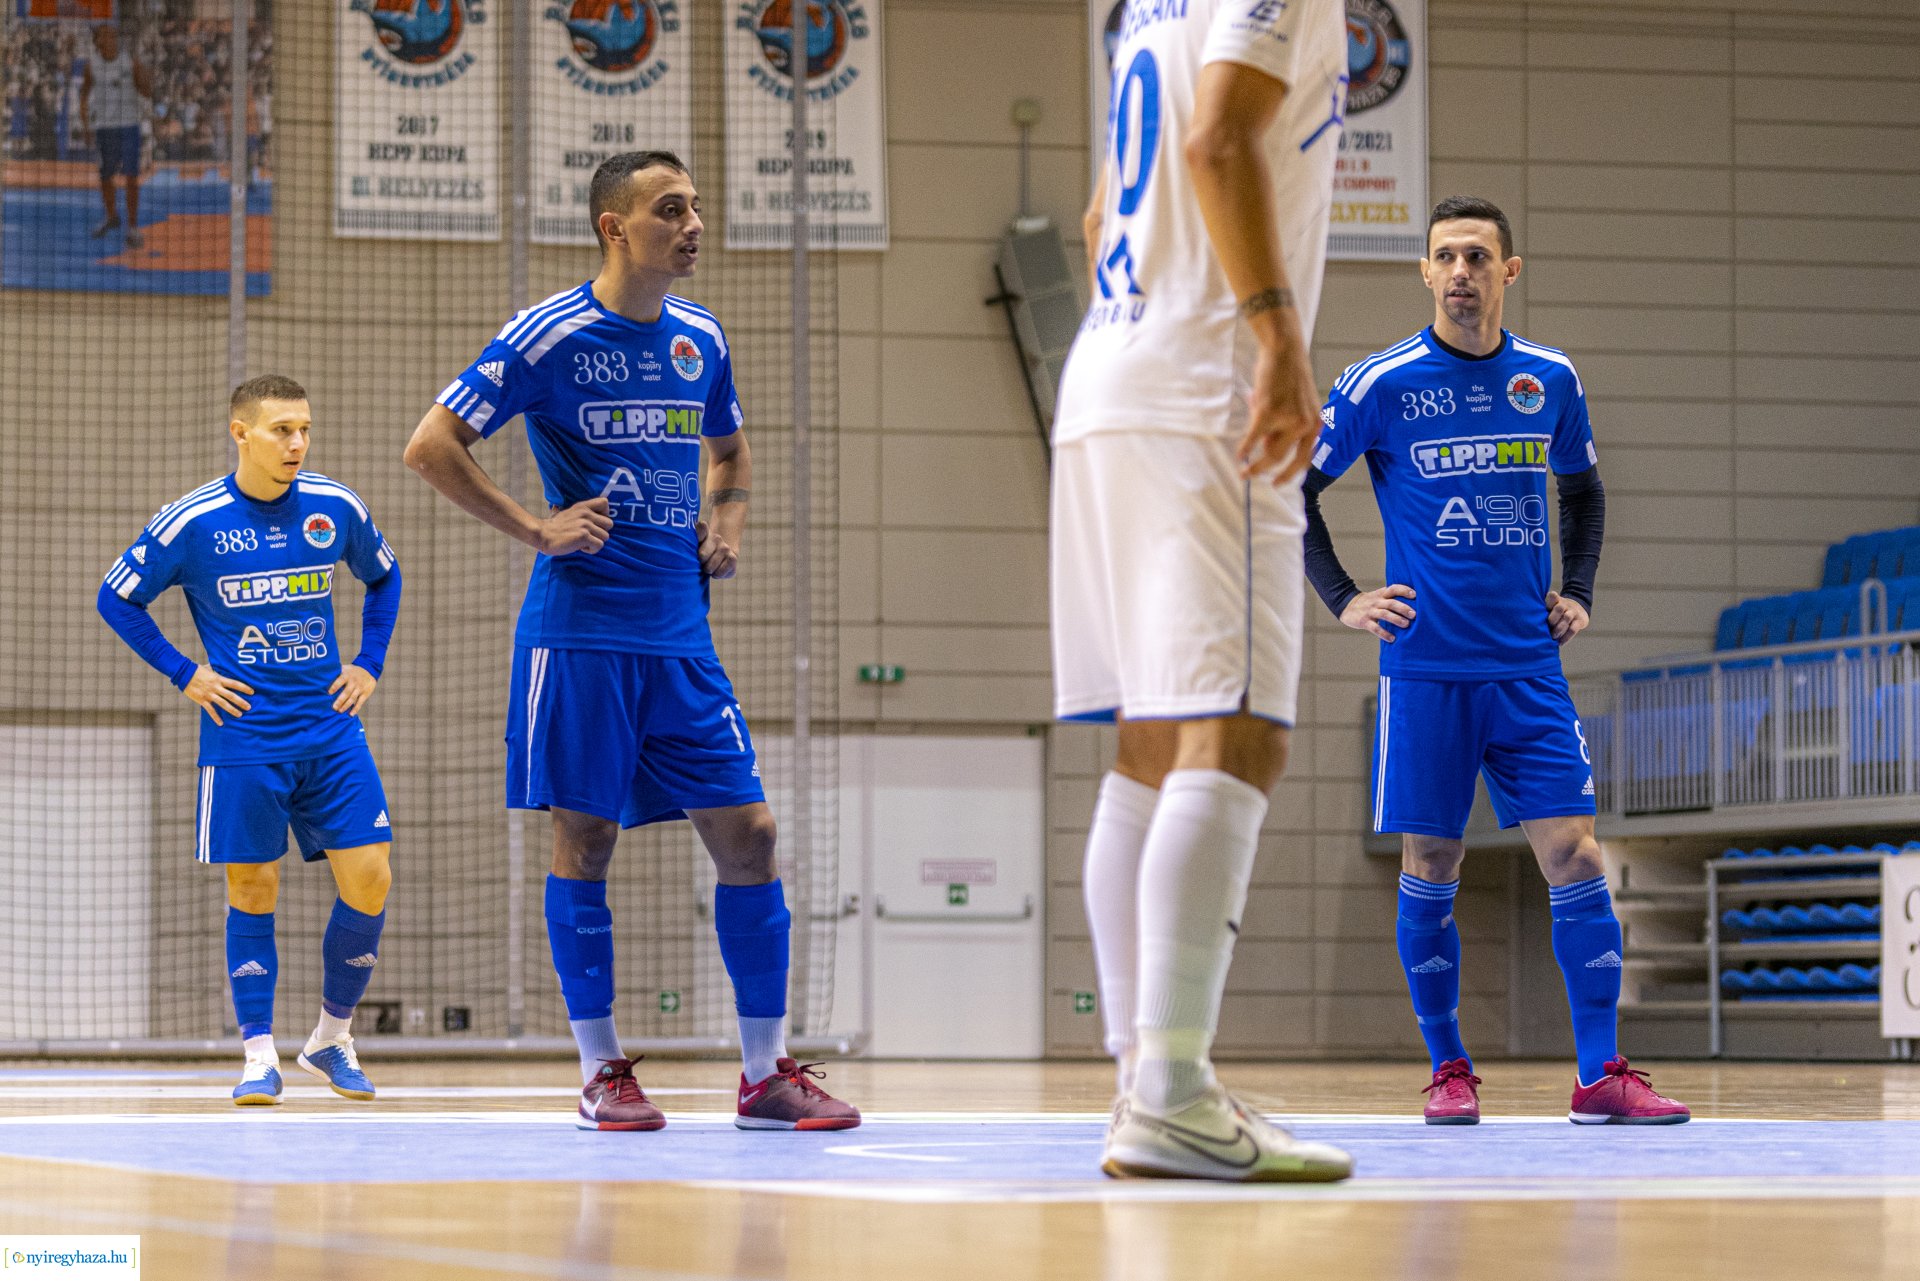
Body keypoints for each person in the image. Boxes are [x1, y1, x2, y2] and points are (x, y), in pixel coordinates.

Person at [404, 150, 859, 1134]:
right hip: (578, 638)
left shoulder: (701, 337)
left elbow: (730, 451)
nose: (693, 223)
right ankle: (601, 1069)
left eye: (695, 205)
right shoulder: (548, 335)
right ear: (615, 227)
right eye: (669, 209)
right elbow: (431, 446)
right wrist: (536, 527)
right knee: (587, 837)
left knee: (752, 835)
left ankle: (765, 1074)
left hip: (680, 636)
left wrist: (726, 522)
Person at [1305, 195, 1690, 1126]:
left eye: (1479, 256)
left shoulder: (1548, 377)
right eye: (1446, 256)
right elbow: (1292, 494)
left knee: (1576, 851)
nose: (1462, 272)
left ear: (1509, 271)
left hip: (1527, 666)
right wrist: (1345, 598)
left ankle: (1601, 1072)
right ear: (1426, 272)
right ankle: (1449, 1069)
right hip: (1425, 670)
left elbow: (1585, 491)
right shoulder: (1379, 384)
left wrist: (1581, 587)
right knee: (1431, 859)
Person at [1051, 0, 1351, 1181]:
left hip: (1113, 368)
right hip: (1203, 383)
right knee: (1236, 734)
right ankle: (1171, 1090)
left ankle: (1149, 1080)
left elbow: (1096, 215)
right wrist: (1277, 336)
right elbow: (1218, 141)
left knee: (1150, 742)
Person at [97, 375, 402, 1106]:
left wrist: (368, 662)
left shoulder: (336, 505)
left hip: (331, 731)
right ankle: (258, 1054)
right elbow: (118, 595)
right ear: (240, 432)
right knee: (252, 885)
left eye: (304, 428)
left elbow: (383, 578)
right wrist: (185, 673)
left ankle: (331, 1036)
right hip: (244, 735)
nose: (297, 443)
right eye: (280, 430)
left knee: (371, 876)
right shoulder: (193, 522)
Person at [79, 23, 153, 247]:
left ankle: (132, 228)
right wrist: (86, 126)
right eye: (106, 36)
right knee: (105, 177)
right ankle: (111, 217)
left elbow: (147, 90)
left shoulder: (130, 63)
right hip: (104, 129)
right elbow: (83, 96)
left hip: (129, 126)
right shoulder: (92, 67)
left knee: (132, 177)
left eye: (113, 35)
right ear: (98, 41)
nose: (111, 39)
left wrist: (142, 76)